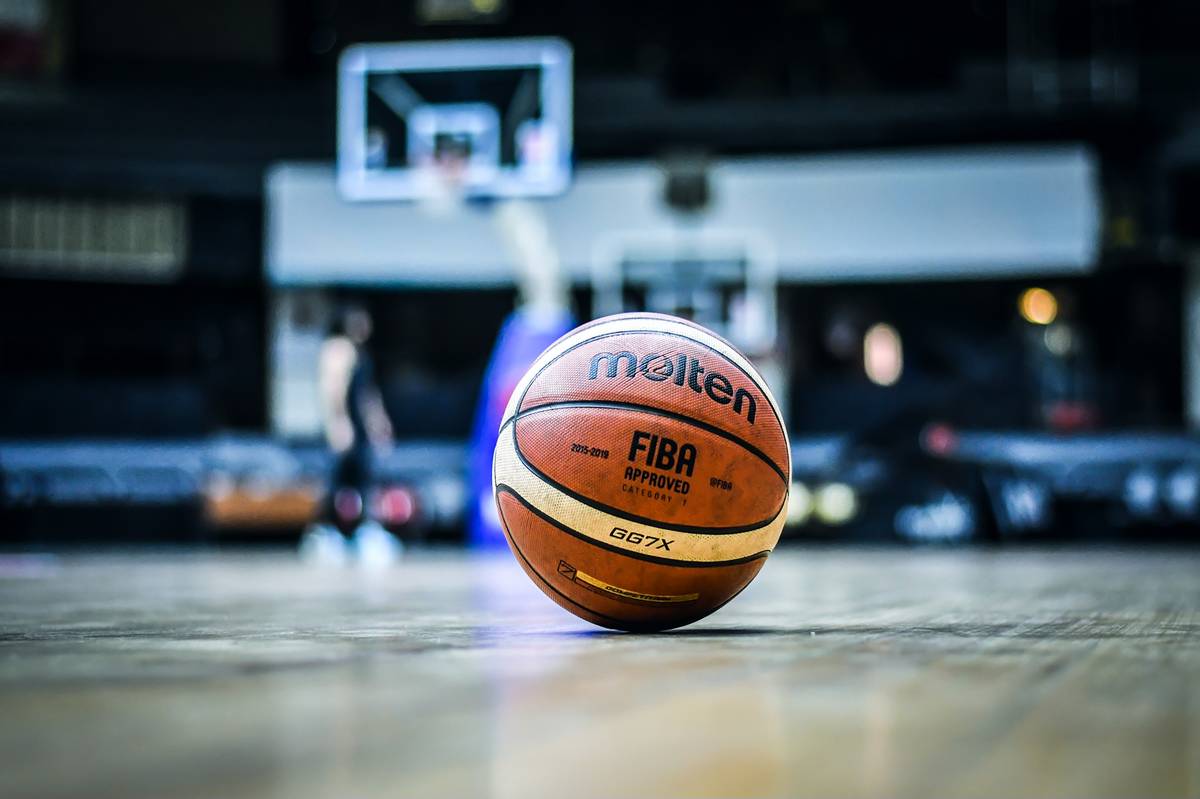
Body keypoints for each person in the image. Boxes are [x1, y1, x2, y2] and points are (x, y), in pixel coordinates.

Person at [300, 305, 402, 566]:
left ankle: (364, 532)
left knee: (364, 482)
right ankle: (323, 532)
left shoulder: (361, 352)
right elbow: (332, 390)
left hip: (361, 432)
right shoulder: (337, 349)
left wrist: (379, 424)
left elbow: (368, 395)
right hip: (347, 430)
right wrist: (339, 424)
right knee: (337, 483)